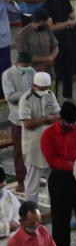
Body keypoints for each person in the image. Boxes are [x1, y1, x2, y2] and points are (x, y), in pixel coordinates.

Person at [39, 101, 76, 246]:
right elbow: (52, 160)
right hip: (59, 179)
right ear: (60, 118)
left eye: (73, 122)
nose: (71, 126)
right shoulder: (49, 134)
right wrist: (73, 164)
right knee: (60, 216)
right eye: (68, 122)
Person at [19, 71, 59, 202]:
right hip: (33, 147)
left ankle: (54, 205)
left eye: (47, 88)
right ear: (34, 85)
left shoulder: (50, 95)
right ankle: (31, 210)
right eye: (43, 89)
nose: (45, 91)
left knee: (53, 181)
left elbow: (57, 114)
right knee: (32, 183)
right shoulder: (26, 99)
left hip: (50, 144)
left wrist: (52, 118)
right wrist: (46, 118)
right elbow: (28, 123)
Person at [3, 50, 35, 193]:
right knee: (19, 151)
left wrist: (23, 98)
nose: (27, 67)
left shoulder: (32, 71)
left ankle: (32, 178)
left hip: (32, 117)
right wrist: (28, 95)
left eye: (29, 65)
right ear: (18, 62)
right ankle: (21, 180)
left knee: (32, 150)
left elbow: (36, 90)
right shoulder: (8, 75)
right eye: (24, 65)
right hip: (17, 119)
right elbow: (10, 97)